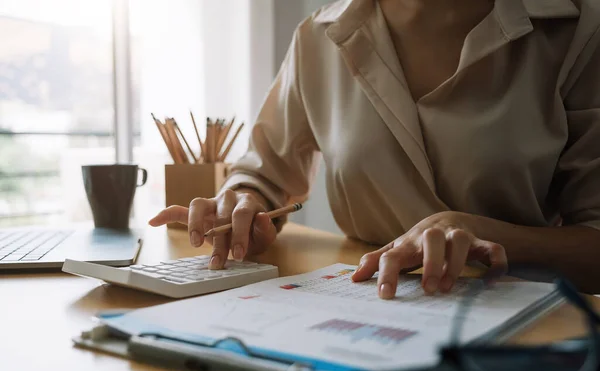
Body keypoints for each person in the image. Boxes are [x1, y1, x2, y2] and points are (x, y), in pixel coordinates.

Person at [149, 0, 600, 298]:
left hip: (512, 322)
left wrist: (471, 229)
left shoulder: (577, 28)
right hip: (359, 302)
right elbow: (265, 174)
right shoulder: (319, 35)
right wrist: (245, 202)